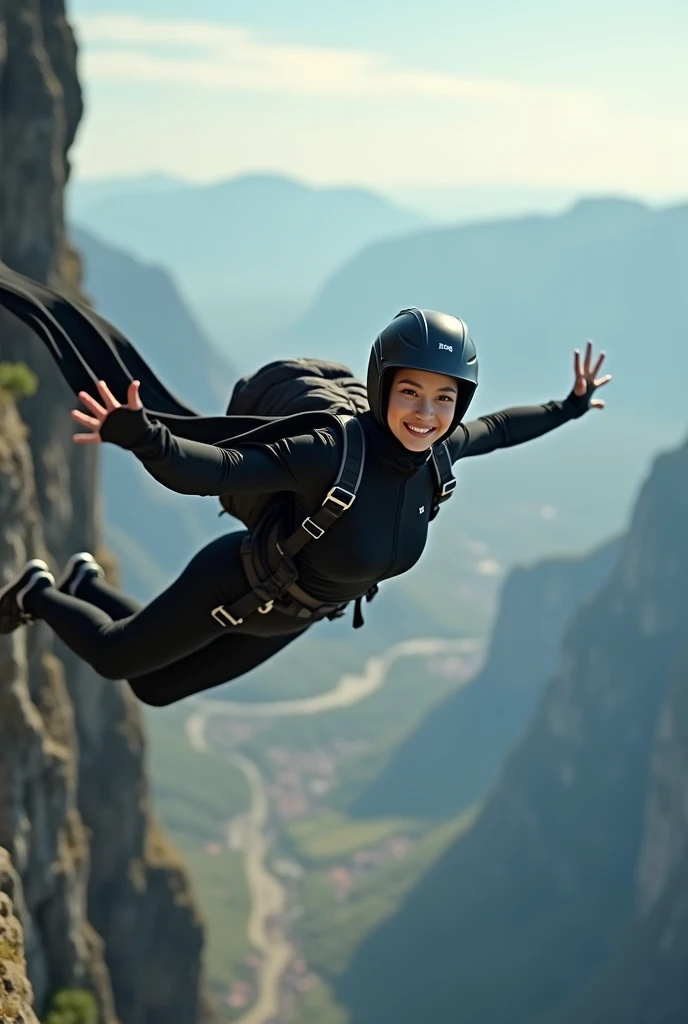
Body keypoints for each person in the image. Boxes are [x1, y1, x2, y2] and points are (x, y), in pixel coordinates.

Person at [0, 305, 611, 707]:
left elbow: (502, 428)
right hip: (235, 584)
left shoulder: (440, 454)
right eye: (409, 392)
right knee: (113, 658)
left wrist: (570, 406)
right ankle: (38, 592)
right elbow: (215, 470)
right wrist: (143, 436)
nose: (426, 414)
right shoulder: (330, 451)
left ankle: (85, 580)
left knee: (154, 689)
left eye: (444, 398)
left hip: (292, 616)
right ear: (381, 388)